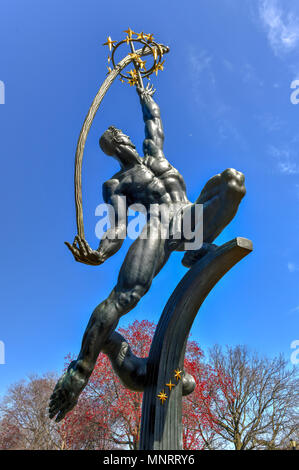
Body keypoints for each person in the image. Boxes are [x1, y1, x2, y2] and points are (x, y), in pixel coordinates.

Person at [49, 84, 246, 422]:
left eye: (119, 134)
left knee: (232, 181)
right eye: (113, 140)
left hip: (189, 216)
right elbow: (118, 227)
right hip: (158, 227)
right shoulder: (116, 183)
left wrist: (145, 94)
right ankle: (82, 369)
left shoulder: (156, 154)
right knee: (124, 296)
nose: (119, 139)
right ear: (111, 150)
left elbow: (154, 119)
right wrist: (100, 253)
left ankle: (194, 248)